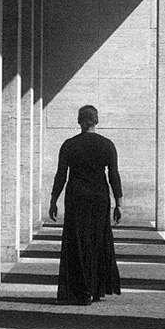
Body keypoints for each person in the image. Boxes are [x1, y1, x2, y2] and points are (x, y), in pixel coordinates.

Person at [49, 105, 123, 306]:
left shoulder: (69, 145)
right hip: (99, 197)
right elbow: (114, 175)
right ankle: (96, 288)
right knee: (98, 240)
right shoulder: (107, 145)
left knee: (77, 242)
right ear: (96, 121)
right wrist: (119, 203)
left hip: (76, 197)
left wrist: (53, 200)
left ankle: (79, 290)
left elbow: (61, 175)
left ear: (79, 121)